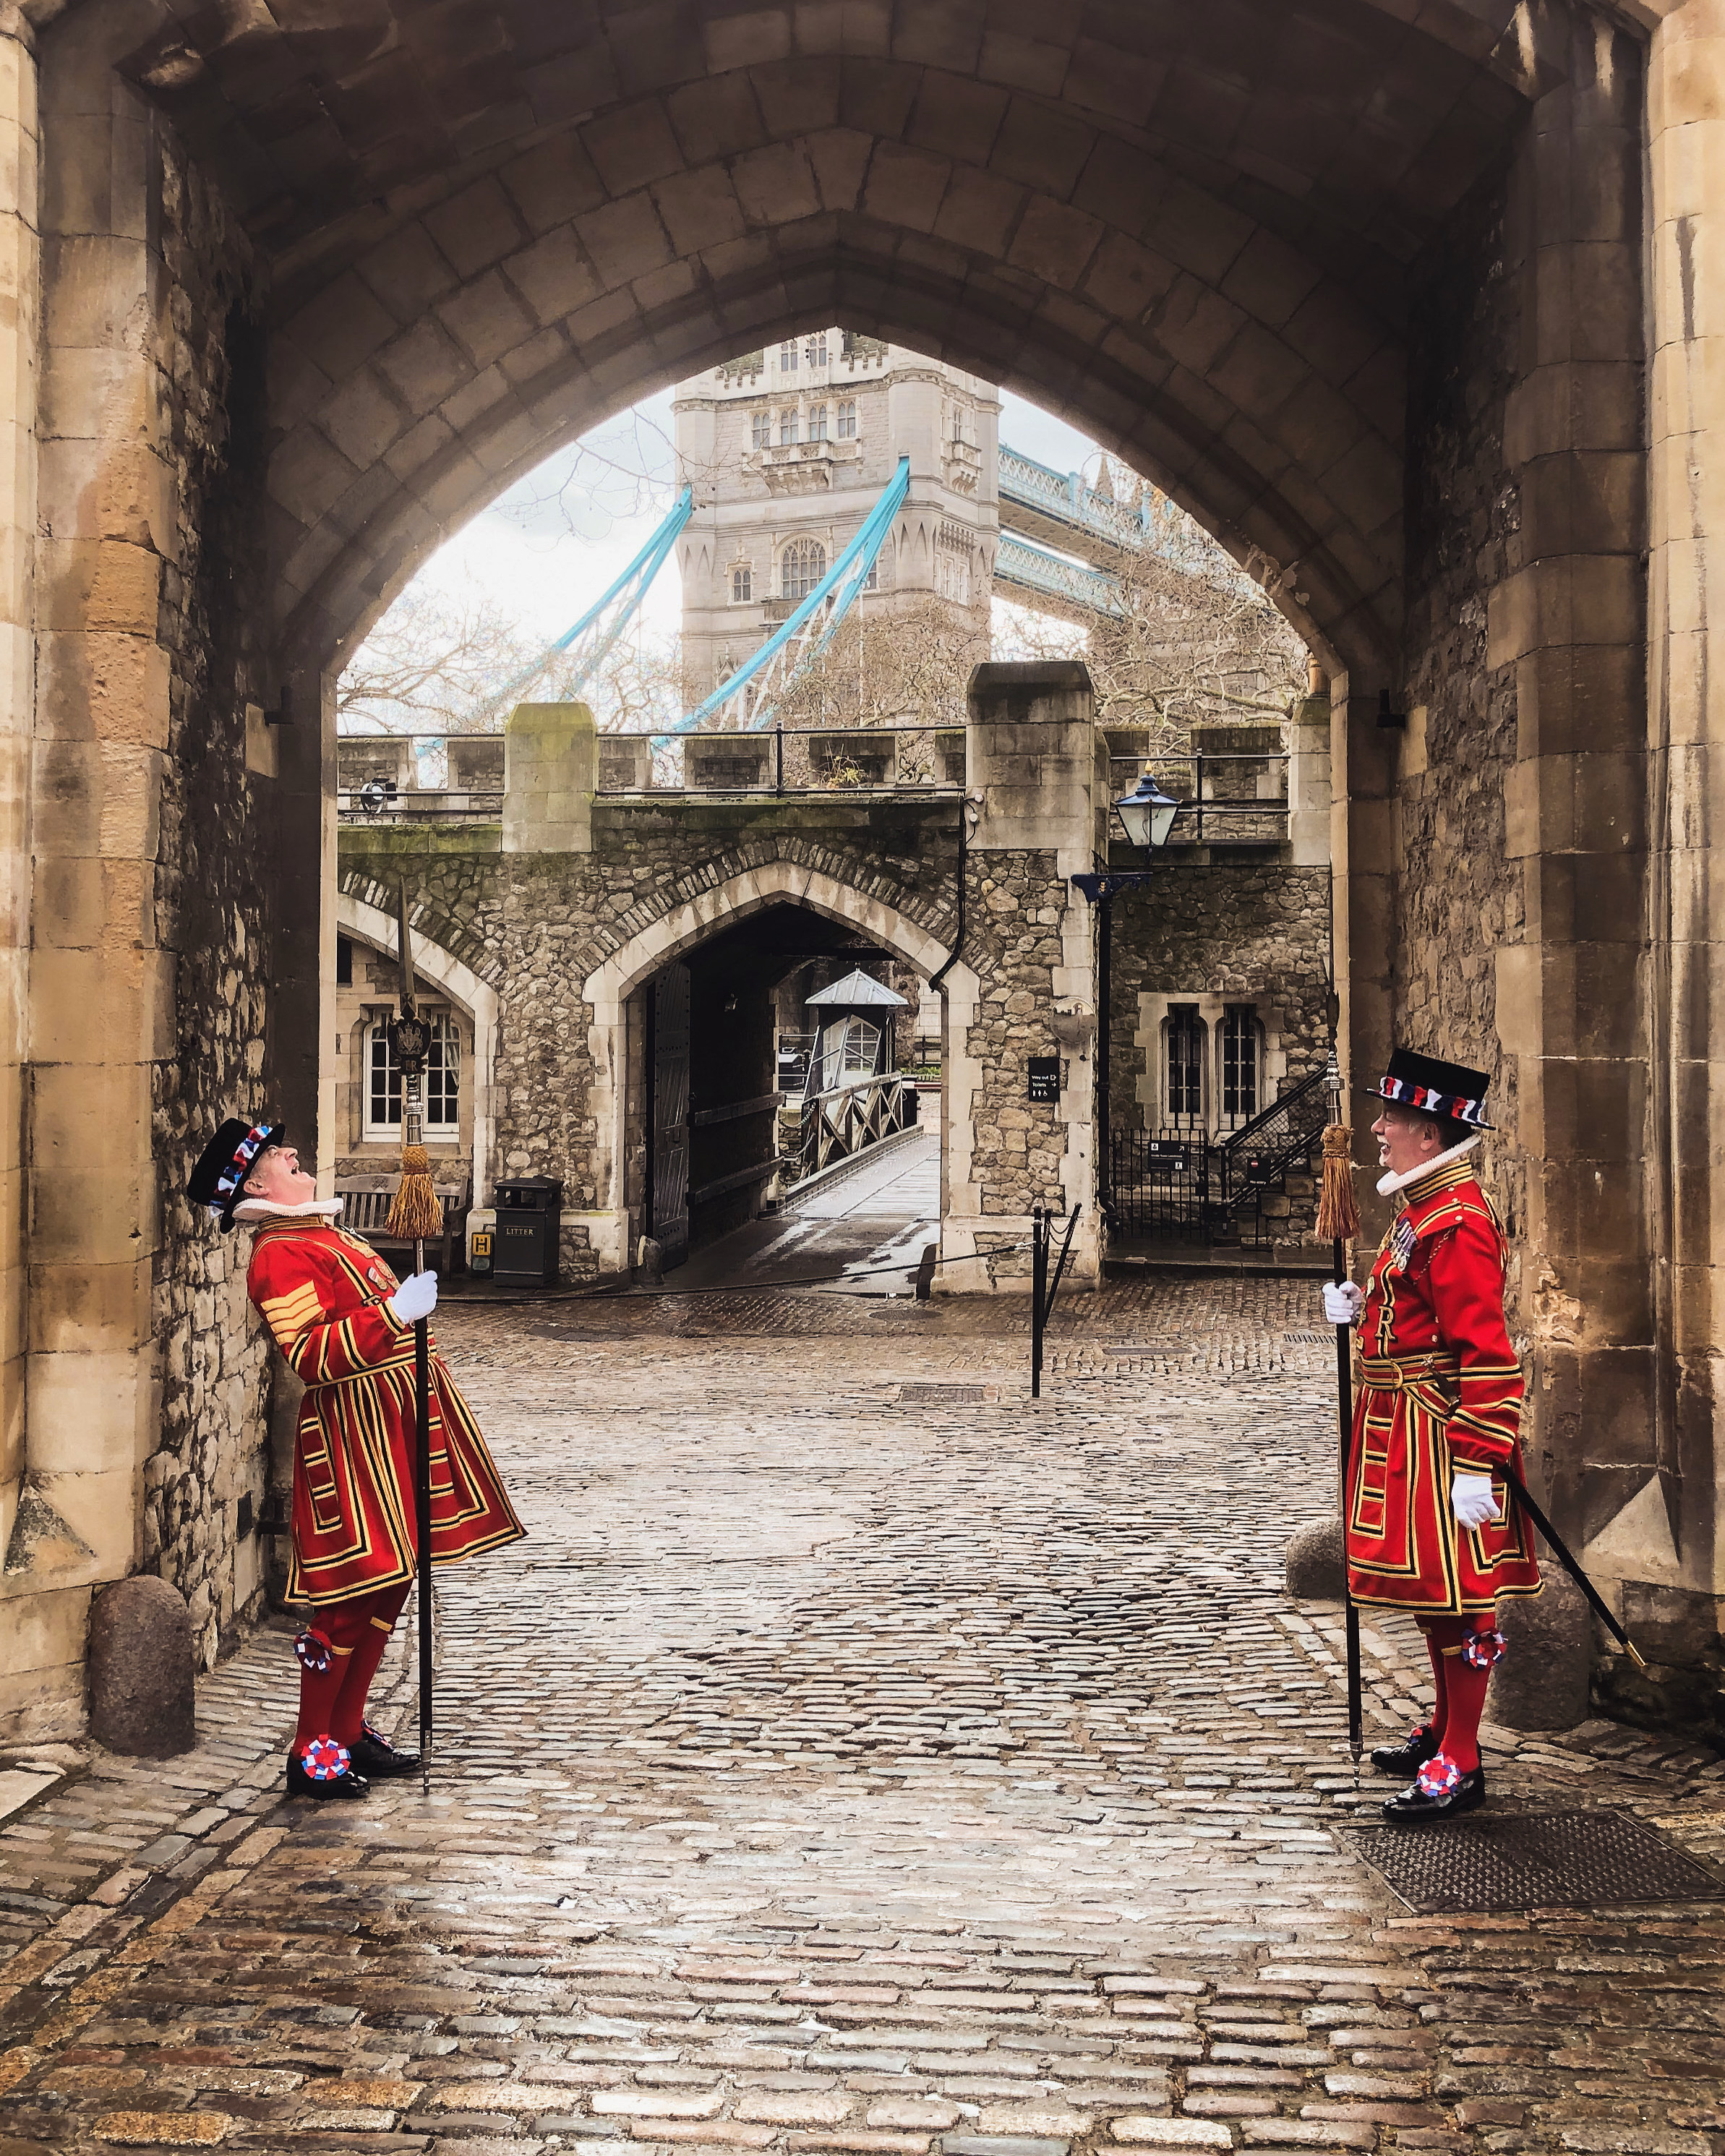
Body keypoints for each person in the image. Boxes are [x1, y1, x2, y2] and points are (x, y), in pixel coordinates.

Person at [187, 1117, 524, 1799]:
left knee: (392, 1581)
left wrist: (402, 1315)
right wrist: (396, 1312)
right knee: (347, 1594)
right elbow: (312, 1356)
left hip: (396, 1417)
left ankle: (346, 1731)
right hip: (352, 1434)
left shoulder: (320, 1231)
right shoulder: (277, 1255)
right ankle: (310, 1747)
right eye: (275, 1156)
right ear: (256, 1184)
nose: (291, 1154)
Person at [1322, 1048, 1540, 1823]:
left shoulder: (1457, 1222)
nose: (1378, 1128)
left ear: (1429, 1130)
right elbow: (1411, 1311)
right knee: (1433, 1598)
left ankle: (1465, 1755)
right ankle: (1446, 1726)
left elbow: (1486, 1352)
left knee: (1464, 1597)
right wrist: (1360, 1305)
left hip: (1441, 1436)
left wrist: (1479, 1461)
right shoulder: (1420, 1210)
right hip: (1401, 1428)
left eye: (1393, 1117)